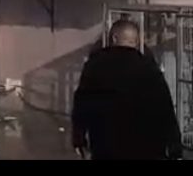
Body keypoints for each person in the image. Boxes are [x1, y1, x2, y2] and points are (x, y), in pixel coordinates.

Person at [72, 19, 184, 160]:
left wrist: (79, 138)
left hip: (106, 147)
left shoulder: (95, 66)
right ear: (136, 41)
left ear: (114, 38)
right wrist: (175, 147)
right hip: (147, 149)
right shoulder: (148, 68)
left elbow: (82, 104)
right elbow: (165, 108)